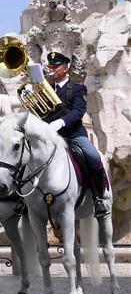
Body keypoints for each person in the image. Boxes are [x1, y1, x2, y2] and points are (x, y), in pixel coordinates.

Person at [40, 52, 109, 218]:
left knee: (93, 156)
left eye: (55, 66)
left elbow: (78, 111)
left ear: (66, 68)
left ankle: (99, 198)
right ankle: (26, 201)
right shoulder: (46, 91)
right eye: (50, 66)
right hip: (53, 138)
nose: (52, 69)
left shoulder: (78, 88)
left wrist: (61, 122)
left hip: (74, 135)